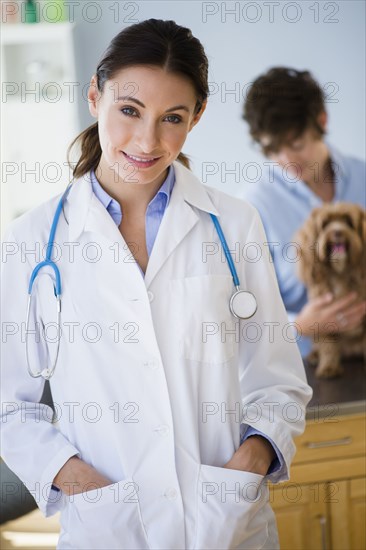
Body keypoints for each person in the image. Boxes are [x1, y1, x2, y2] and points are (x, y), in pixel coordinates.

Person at [1, 21, 312, 550]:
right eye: (129, 110)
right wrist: (81, 483)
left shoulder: (234, 225)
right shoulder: (32, 242)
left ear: (197, 117)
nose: (147, 141)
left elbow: (278, 379)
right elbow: (11, 408)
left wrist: (251, 459)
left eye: (172, 118)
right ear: (95, 96)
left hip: (228, 527)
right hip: (108, 529)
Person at [241, 67, 366, 359]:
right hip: (303, 368)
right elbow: (242, 310)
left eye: (296, 144)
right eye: (273, 150)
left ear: (321, 120)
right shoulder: (253, 206)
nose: (287, 160)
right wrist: (298, 325)